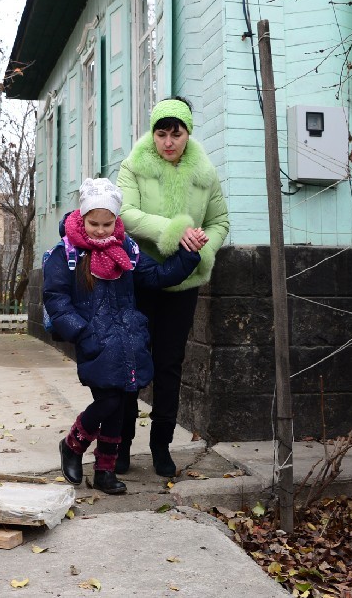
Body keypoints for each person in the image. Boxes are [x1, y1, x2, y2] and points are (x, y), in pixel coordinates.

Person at [43, 177, 202, 494]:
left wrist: (187, 255)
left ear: (116, 220)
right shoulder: (67, 254)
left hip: (127, 342)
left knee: (119, 405)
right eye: (94, 223)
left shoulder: (125, 249)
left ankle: (105, 472)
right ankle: (73, 445)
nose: (101, 230)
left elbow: (156, 276)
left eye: (107, 223)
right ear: (83, 217)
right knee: (108, 402)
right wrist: (84, 334)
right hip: (94, 342)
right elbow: (57, 302)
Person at [116, 96, 230, 477]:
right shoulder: (134, 166)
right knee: (129, 364)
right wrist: (174, 232)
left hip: (182, 283)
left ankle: (161, 445)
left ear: (187, 133)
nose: (168, 142)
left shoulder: (205, 173)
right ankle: (120, 445)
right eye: (161, 133)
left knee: (169, 365)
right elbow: (126, 214)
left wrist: (201, 249)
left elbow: (219, 221)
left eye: (175, 134)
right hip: (139, 278)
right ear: (153, 134)